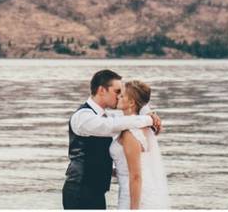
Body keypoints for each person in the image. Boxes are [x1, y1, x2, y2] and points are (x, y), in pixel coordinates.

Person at [63, 70, 163, 210]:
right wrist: (148, 118)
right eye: (117, 91)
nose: (119, 96)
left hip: (97, 192)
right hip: (79, 191)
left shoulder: (106, 115)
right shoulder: (83, 117)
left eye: (122, 93)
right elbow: (111, 126)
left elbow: (135, 101)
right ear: (102, 90)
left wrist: (147, 111)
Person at [109, 80, 170, 210]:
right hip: (130, 190)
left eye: (122, 95)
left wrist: (134, 209)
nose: (118, 97)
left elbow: (136, 176)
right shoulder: (138, 125)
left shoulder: (130, 133)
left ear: (131, 102)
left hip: (135, 197)